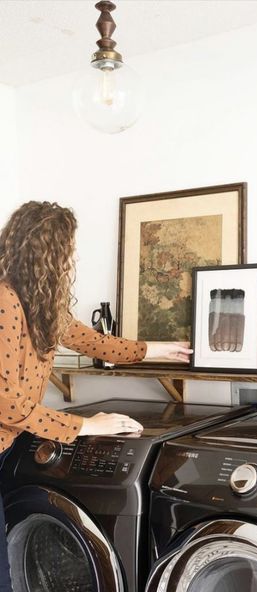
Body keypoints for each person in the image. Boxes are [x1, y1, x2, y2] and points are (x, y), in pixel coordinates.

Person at [0, 201, 192, 592]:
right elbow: (7, 400)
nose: (71, 258)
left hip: (8, 444)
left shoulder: (41, 304)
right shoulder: (4, 300)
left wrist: (156, 350)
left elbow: (93, 342)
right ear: (47, 253)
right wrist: (85, 424)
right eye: (66, 249)